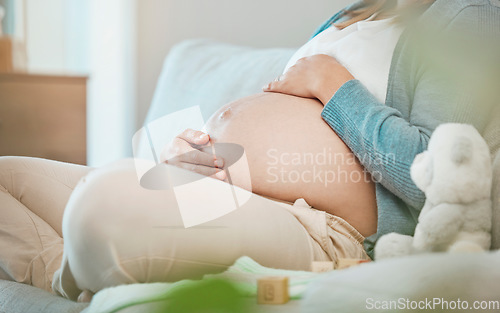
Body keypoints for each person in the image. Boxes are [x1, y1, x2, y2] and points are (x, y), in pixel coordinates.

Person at [0, 0, 498, 302]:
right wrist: (189, 151)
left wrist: (333, 82)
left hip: (318, 229)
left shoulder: (468, 13)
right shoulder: (355, 14)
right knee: (6, 179)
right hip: (220, 192)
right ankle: (90, 275)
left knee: (102, 208)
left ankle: (91, 268)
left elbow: (437, 175)